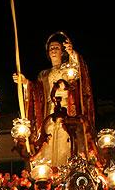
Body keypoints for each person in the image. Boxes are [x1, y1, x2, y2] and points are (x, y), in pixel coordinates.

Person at [12, 32, 95, 167]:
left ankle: (70, 168)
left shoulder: (68, 67)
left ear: (62, 52)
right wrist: (25, 82)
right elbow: (37, 91)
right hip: (49, 112)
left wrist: (73, 54)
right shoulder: (44, 74)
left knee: (67, 138)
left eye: (56, 47)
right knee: (48, 140)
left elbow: (78, 73)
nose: (53, 50)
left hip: (68, 109)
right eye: (51, 48)